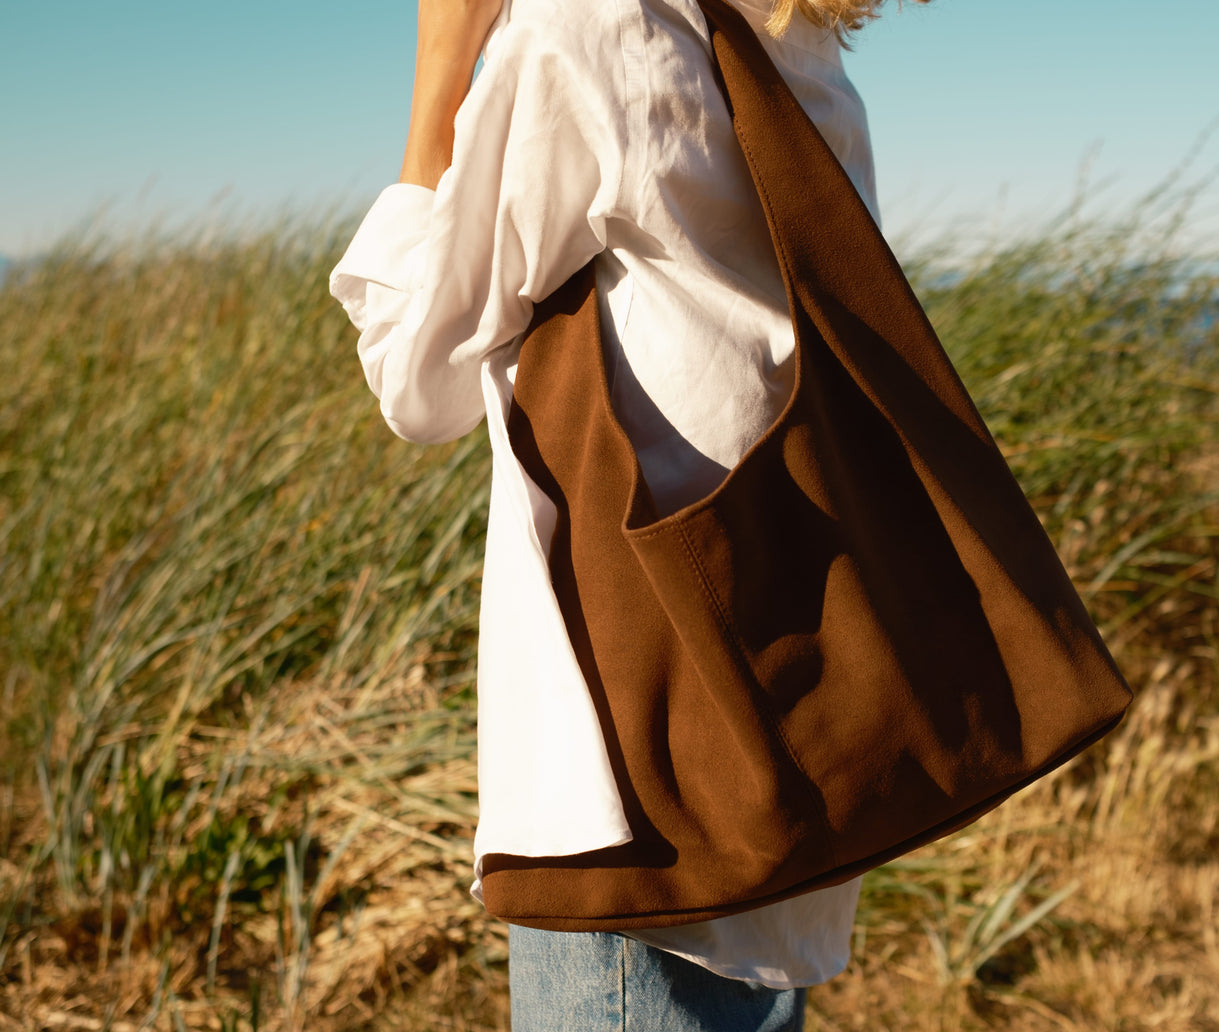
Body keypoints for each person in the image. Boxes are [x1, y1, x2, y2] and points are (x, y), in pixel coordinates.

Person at [330, 0, 904, 1026]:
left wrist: (438, 69)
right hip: (781, 734)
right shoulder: (801, 60)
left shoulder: (587, 30)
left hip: (639, 791)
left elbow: (418, 385)